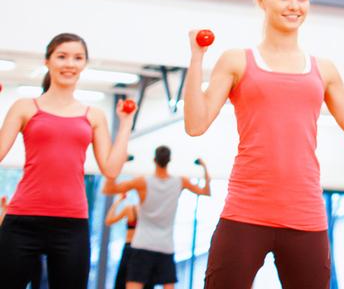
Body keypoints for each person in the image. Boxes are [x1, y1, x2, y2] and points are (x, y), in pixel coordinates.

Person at [183, 0, 344, 289]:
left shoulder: (324, 69)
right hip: (245, 210)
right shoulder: (237, 60)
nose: (294, 5)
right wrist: (196, 58)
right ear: (262, 0)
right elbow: (195, 124)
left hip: (305, 213)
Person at [0, 32, 135, 288]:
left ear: (84, 64)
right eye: (62, 57)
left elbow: (111, 168)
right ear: (47, 61)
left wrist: (126, 124)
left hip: (72, 224)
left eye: (77, 58)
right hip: (23, 219)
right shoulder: (25, 107)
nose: (69, 64)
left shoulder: (94, 115)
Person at [102, 146, 211, 289]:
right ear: (169, 160)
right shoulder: (180, 182)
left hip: (142, 245)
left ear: (154, 160)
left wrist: (121, 162)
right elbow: (206, 191)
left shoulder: (142, 182)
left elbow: (108, 189)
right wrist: (204, 167)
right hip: (164, 246)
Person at [105, 192, 140, 289]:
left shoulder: (132, 209)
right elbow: (109, 221)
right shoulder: (132, 209)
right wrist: (118, 201)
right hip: (136, 250)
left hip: (134, 250)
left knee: (123, 282)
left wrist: (118, 201)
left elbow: (109, 220)